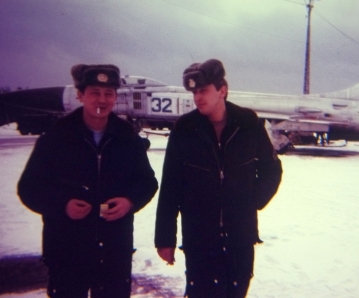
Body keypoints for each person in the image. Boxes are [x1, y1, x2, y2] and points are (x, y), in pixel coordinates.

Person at [17, 64, 158, 298]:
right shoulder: (57, 136)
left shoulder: (127, 137)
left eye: (108, 93)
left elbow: (147, 182)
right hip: (67, 251)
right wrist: (62, 205)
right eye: (94, 93)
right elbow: (29, 188)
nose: (102, 100)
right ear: (81, 95)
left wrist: (129, 201)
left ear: (115, 97)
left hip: (113, 252)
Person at [155, 59, 282, 298]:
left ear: (222, 90)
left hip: (240, 237)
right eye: (194, 92)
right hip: (199, 238)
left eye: (203, 90)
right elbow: (171, 186)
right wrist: (165, 238)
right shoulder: (185, 128)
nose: (198, 97)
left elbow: (272, 169)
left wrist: (252, 201)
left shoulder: (248, 123)